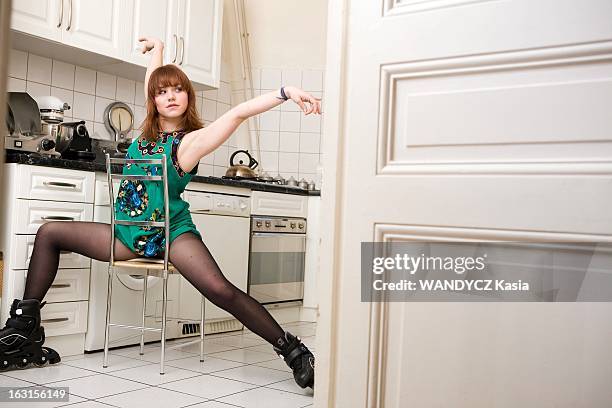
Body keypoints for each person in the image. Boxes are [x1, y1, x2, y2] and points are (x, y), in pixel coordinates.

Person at [0, 36, 320, 389]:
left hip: (171, 233)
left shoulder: (191, 142)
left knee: (220, 290)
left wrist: (286, 92)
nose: (170, 96)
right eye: (162, 92)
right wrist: (158, 52)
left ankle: (293, 351)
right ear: (154, 99)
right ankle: (23, 329)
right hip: (127, 234)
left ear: (188, 98)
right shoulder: (145, 135)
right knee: (49, 233)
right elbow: (153, 79)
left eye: (178, 90)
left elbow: (238, 112)